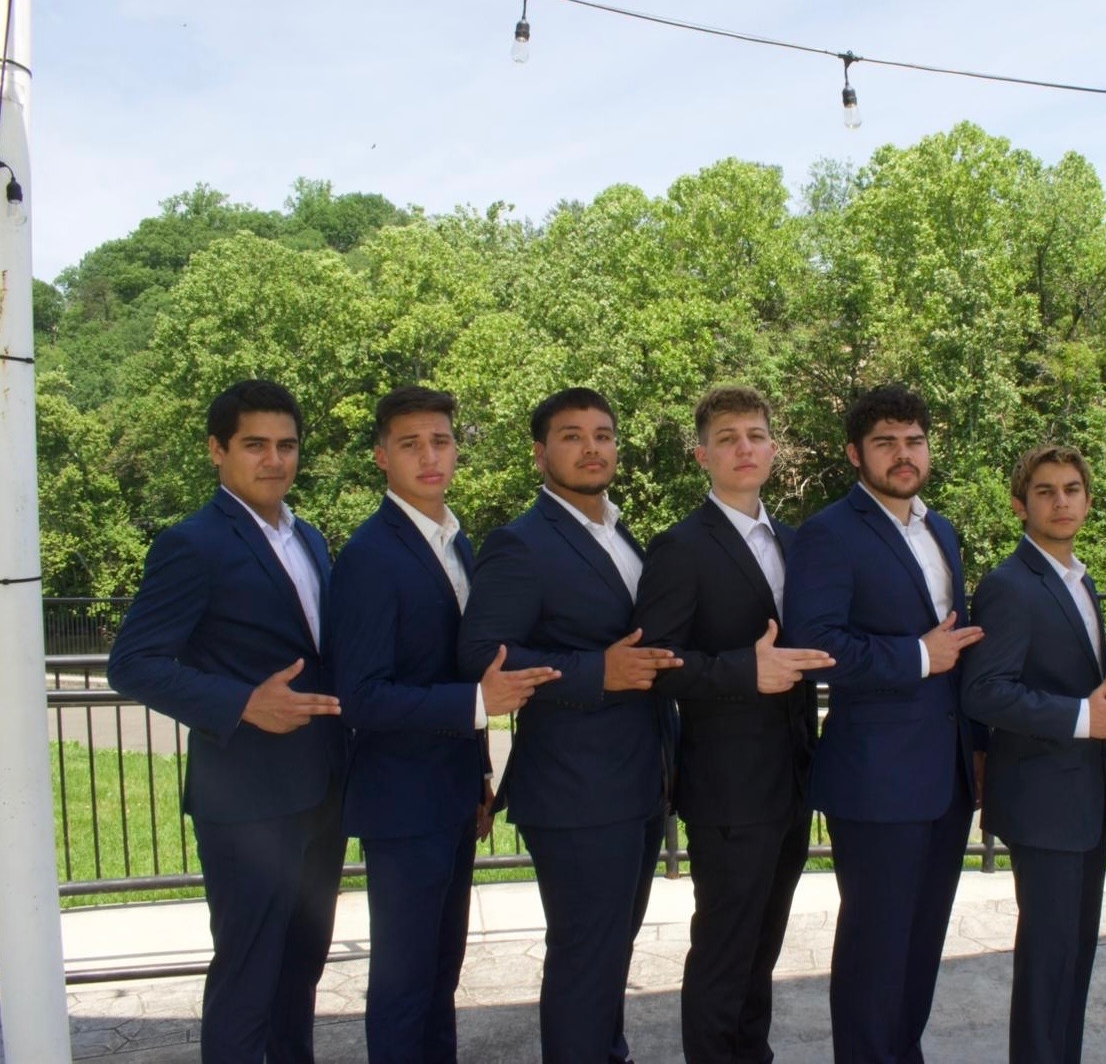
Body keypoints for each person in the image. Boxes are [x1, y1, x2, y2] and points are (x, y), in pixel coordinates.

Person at [108, 379, 346, 1064]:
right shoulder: (194, 544)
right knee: (248, 977)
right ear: (217, 451)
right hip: (246, 803)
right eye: (255, 445)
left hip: (322, 793)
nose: (273, 460)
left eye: (286, 446)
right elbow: (132, 663)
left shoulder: (311, 538)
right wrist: (241, 702)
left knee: (300, 973)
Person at [327, 386, 559, 1063]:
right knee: (404, 984)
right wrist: (475, 705)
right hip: (401, 804)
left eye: (440, 441)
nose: (429, 456)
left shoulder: (456, 542)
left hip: (454, 792)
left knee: (439, 977)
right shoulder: (372, 555)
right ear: (381, 457)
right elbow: (362, 696)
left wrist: (481, 776)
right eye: (410, 444)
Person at [457, 387, 681, 1064]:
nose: (592, 448)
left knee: (613, 952)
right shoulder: (520, 543)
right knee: (587, 958)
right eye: (573, 435)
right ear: (540, 453)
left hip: (640, 778)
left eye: (604, 435)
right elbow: (480, 654)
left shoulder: (619, 531)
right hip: (576, 787)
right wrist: (594, 672)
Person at [783, 383, 984, 1064]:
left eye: (914, 441)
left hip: (947, 776)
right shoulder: (827, 533)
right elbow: (814, 645)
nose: (903, 455)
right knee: (876, 947)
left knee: (922, 943)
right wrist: (916, 656)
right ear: (854, 454)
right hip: (876, 779)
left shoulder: (941, 528)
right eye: (885, 443)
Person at [632, 386, 834, 1063]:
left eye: (755, 434)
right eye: (727, 438)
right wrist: (743, 671)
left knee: (762, 948)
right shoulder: (680, 548)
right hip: (727, 788)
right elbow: (655, 666)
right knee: (724, 951)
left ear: (775, 449)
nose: (744, 447)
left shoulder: (799, 542)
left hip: (794, 779)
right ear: (702, 456)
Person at [961, 444, 1106, 1064]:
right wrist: (1080, 720)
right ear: (1021, 504)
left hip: (1084, 799)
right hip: (1042, 802)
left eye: (1072, 488)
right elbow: (985, 692)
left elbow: (1094, 690)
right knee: (1048, 962)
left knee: (1075, 955)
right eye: (1045, 490)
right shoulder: (1009, 585)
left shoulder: (1081, 579)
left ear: (1089, 501)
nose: (1061, 500)